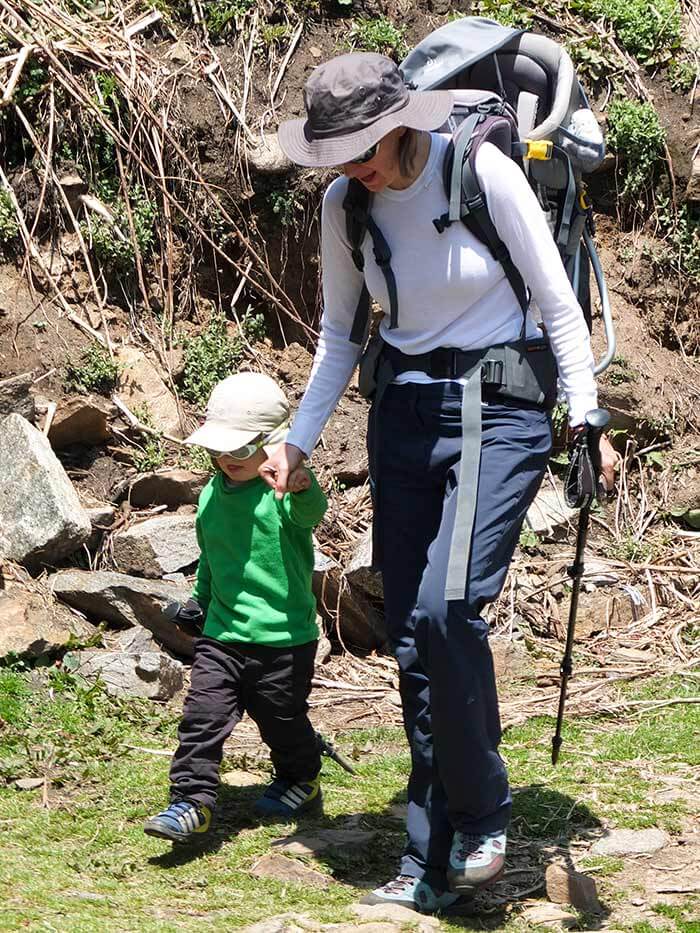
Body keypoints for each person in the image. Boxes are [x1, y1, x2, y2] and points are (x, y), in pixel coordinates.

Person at [264, 53, 619, 912]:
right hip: (406, 412)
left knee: (446, 607)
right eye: (338, 155)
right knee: (414, 636)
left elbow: (558, 300)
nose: (353, 167)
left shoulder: (480, 170)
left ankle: (484, 813)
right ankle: (429, 860)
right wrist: (299, 441)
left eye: (361, 149)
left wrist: (584, 411)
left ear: (400, 125)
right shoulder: (345, 205)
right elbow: (339, 336)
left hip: (497, 406)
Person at [144, 371, 328, 845]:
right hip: (222, 635)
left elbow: (310, 515)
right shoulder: (210, 494)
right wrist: (200, 603)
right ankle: (191, 801)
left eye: (242, 449)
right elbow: (214, 556)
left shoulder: (282, 494)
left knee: (282, 719)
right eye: (218, 449)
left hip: (283, 639)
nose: (227, 459)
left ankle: (301, 778)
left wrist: (301, 483)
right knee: (202, 716)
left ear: (275, 443)